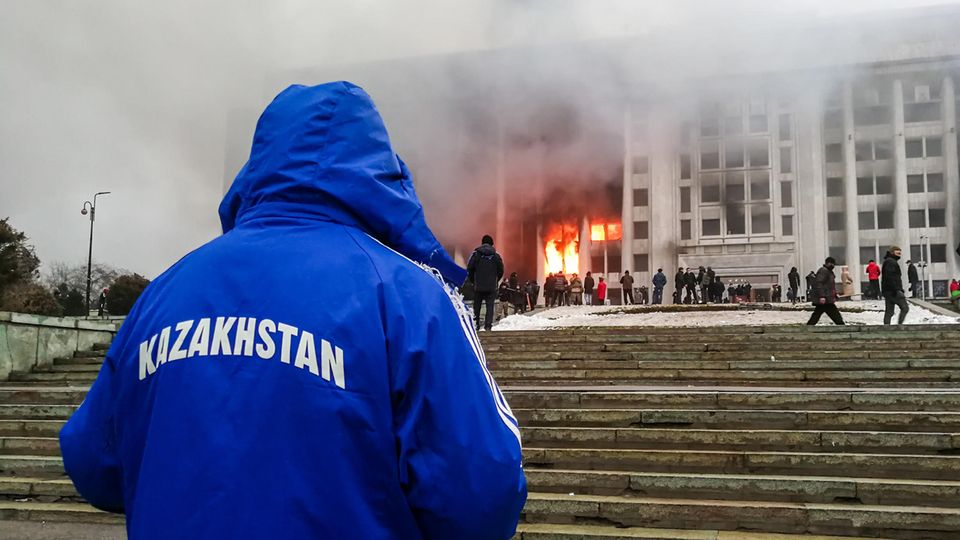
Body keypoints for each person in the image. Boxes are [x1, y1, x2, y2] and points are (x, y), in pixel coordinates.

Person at [59, 83, 526, 540]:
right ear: (381, 173)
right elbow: (482, 498)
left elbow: (92, 464)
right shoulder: (411, 296)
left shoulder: (164, 293)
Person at [468, 234, 504, 331]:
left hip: (478, 286)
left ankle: (476, 326)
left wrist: (473, 281)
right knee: (490, 307)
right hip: (491, 287)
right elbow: (501, 270)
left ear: (482, 243)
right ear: (492, 244)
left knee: (477, 307)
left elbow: (470, 268)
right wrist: (495, 280)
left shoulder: (476, 255)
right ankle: (488, 326)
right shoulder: (496, 256)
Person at [807, 257, 845, 325]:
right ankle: (843, 327)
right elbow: (819, 283)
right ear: (828, 263)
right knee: (836, 316)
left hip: (827, 298)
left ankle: (808, 328)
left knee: (816, 315)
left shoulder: (829, 272)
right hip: (826, 299)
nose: (833, 266)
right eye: (832, 264)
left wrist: (835, 295)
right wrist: (822, 296)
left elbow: (830, 286)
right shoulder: (823, 271)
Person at [882, 246, 910, 325]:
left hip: (888, 290)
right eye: (897, 253)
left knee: (889, 311)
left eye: (900, 253)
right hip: (893, 290)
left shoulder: (889, 261)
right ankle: (899, 326)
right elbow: (890, 277)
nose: (899, 255)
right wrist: (897, 289)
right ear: (892, 252)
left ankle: (886, 328)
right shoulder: (891, 262)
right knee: (905, 308)